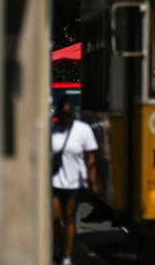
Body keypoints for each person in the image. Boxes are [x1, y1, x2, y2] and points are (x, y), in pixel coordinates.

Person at [51, 95, 98, 265]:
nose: (66, 118)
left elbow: (90, 157)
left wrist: (92, 182)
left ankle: (67, 256)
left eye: (69, 115)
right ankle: (58, 246)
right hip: (55, 181)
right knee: (55, 218)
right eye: (63, 115)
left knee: (69, 216)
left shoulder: (83, 130)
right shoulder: (53, 129)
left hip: (75, 182)